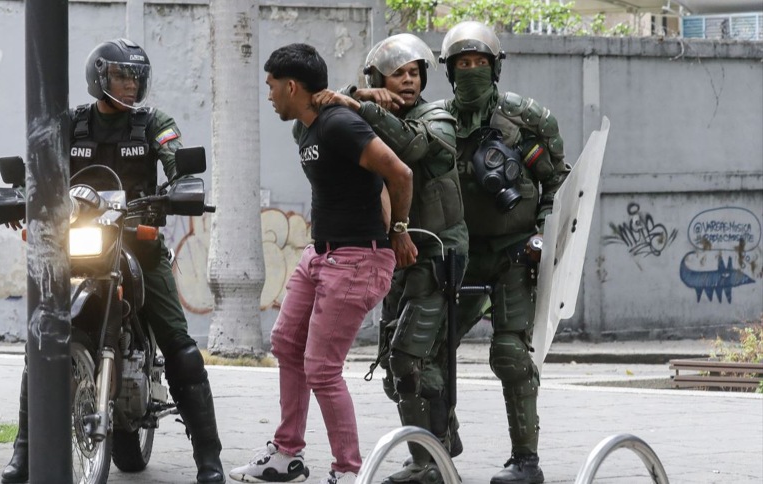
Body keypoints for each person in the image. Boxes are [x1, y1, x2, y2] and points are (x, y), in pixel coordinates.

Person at [0, 38, 225, 484]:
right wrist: (20, 197)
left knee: (181, 350)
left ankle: (209, 459)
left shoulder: (151, 124)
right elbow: (38, 169)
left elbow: (176, 161)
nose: (130, 85)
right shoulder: (71, 125)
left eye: (136, 78)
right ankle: (23, 453)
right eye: (122, 76)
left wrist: (182, 187)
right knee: (41, 341)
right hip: (80, 245)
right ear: (99, 78)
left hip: (138, 244)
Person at [228, 43, 413, 484]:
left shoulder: (337, 125)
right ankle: (287, 453)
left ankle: (348, 471)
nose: (269, 95)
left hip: (355, 260)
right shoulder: (309, 125)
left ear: (292, 86)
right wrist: (357, 94)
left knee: (323, 369)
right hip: (320, 255)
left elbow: (400, 172)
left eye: (271, 87)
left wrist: (400, 230)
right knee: (286, 344)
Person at [310, 34, 469, 484]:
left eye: (415, 72)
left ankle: (429, 461)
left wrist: (365, 105)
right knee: (396, 361)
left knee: (409, 357)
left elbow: (415, 147)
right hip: (394, 254)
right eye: (398, 73)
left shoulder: (436, 118)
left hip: (437, 254)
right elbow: (321, 118)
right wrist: (358, 96)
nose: (408, 81)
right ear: (378, 78)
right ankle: (438, 442)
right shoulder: (367, 112)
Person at [439, 21, 570, 484]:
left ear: (494, 68)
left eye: (479, 63)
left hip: (515, 253)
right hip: (460, 253)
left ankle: (525, 461)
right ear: (450, 72)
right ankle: (435, 444)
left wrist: (542, 235)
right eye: (462, 63)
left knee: (511, 354)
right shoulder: (438, 124)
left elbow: (557, 182)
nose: (470, 71)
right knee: (430, 350)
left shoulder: (521, 122)